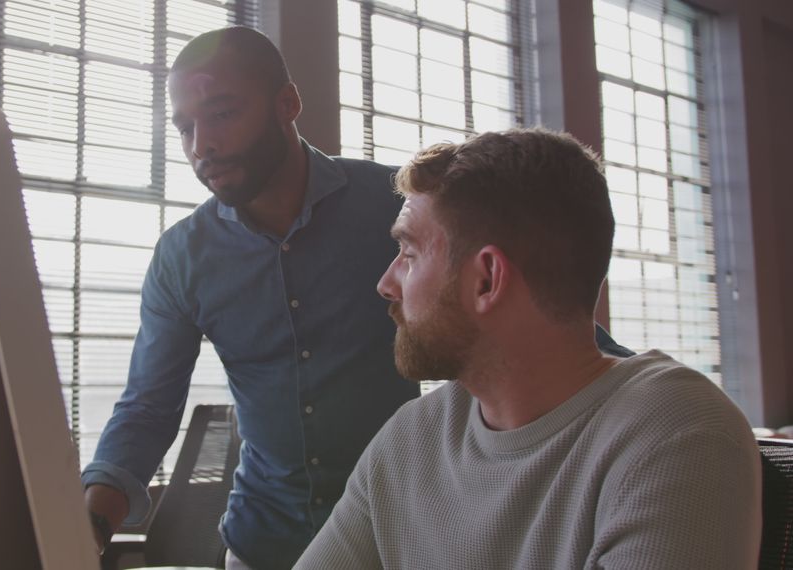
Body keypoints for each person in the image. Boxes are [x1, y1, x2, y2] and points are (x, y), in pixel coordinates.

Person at [81, 27, 630, 569]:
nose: (202, 145)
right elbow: (147, 408)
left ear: (287, 103)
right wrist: (87, 529)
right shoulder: (182, 257)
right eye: (184, 127)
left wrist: (653, 398)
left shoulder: (395, 208)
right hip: (260, 546)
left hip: (398, 538)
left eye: (222, 114)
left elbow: (538, 316)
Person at [295, 128, 762, 569]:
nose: (386, 284)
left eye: (410, 255)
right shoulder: (410, 439)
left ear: (486, 279)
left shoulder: (675, 432)